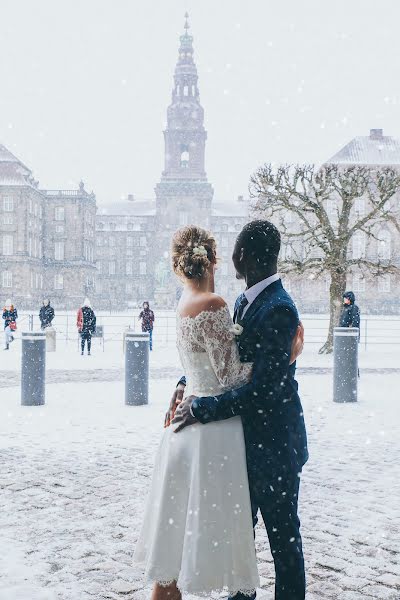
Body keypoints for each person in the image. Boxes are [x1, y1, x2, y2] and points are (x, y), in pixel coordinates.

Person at [134, 224, 305, 600]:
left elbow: (262, 385)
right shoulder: (234, 302)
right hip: (231, 438)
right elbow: (223, 366)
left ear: (240, 256)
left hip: (272, 444)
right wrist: (188, 384)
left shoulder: (276, 306)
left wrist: (198, 397)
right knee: (238, 536)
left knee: (282, 543)